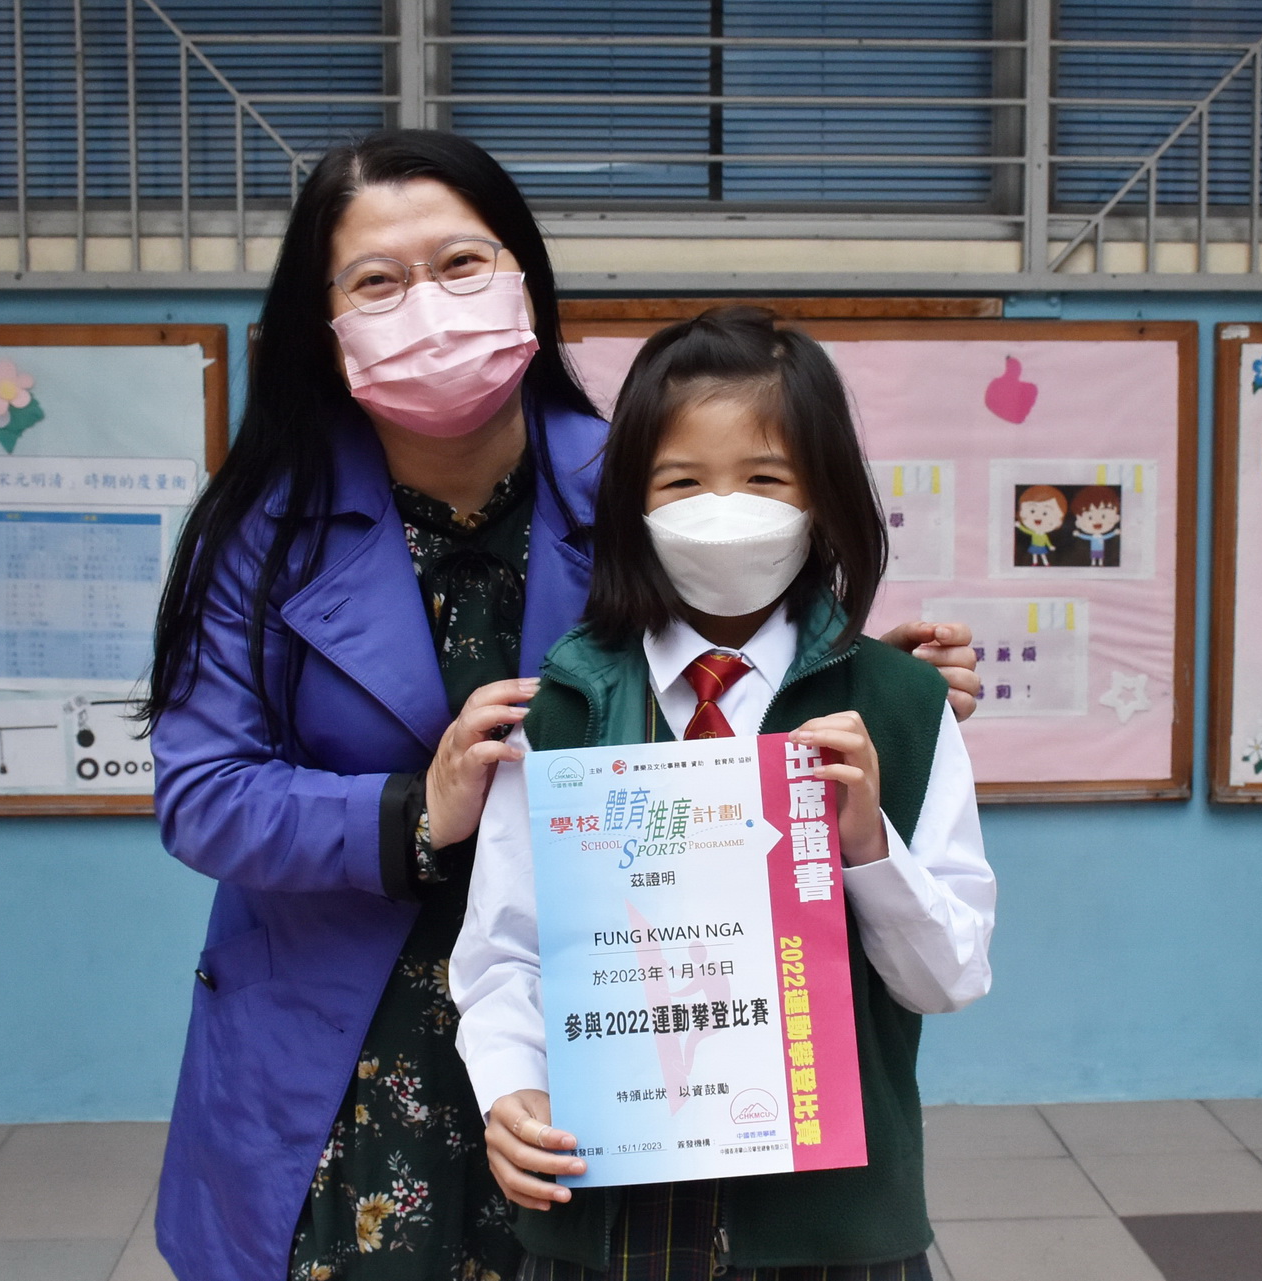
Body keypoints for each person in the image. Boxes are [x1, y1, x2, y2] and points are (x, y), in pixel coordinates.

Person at [144, 131, 983, 1281]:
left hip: (618, 1017)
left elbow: (731, 647)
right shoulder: (263, 530)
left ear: (525, 279)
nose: (429, 307)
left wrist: (861, 683)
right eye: (377, 281)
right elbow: (204, 795)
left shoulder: (645, 480)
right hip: (354, 1036)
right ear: (321, 322)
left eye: (460, 263)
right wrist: (414, 813)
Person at [450, 308, 996, 1281]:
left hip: (831, 1232)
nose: (723, 508)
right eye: (682, 481)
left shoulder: (904, 708)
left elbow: (948, 978)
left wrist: (866, 848)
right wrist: (510, 1090)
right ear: (633, 503)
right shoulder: (566, 708)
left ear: (824, 496)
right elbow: (507, 951)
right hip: (608, 1220)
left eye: (765, 478)